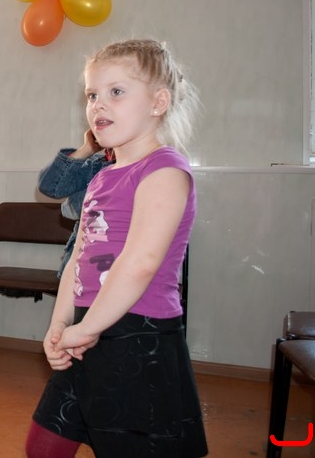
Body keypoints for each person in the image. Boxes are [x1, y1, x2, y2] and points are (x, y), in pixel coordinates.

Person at [26, 39, 208, 457]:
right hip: (87, 326)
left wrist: (87, 329)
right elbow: (79, 257)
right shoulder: (102, 177)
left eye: (117, 91)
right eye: (92, 94)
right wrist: (60, 324)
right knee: (44, 445)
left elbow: (139, 264)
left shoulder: (165, 170)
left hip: (137, 334)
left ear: (158, 102)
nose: (98, 105)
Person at [37, 129, 113, 279]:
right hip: (79, 267)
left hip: (117, 269)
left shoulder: (150, 167)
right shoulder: (96, 165)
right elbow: (49, 186)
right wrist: (87, 149)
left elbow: (74, 208)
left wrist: (75, 204)